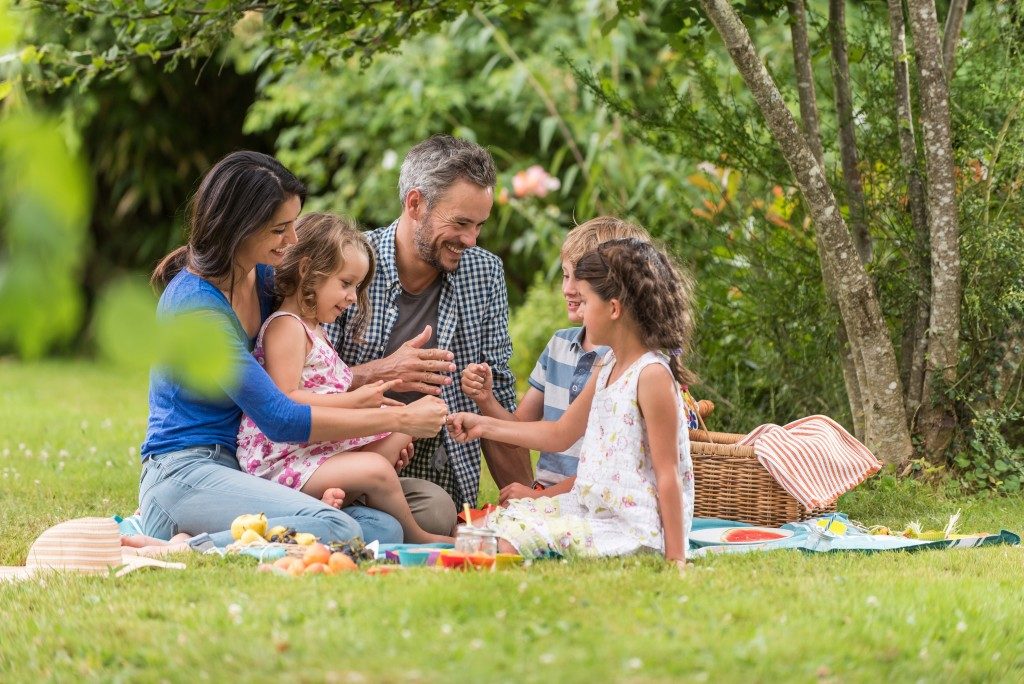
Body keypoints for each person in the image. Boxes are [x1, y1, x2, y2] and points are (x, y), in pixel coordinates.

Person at [135, 151, 448, 552]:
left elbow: (306, 373)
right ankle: (184, 546)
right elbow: (279, 417)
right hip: (185, 473)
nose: (293, 241)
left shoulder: (262, 281)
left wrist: (380, 376)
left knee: (384, 530)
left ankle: (270, 523)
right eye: (280, 229)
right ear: (239, 228)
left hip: (241, 468)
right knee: (336, 528)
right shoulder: (196, 307)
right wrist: (401, 417)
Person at [447, 238, 696, 569]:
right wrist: (483, 425)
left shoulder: (650, 375)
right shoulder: (608, 366)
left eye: (587, 301)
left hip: (630, 529)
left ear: (613, 308)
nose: (580, 310)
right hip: (589, 508)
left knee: (495, 545)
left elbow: (669, 474)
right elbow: (560, 434)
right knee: (476, 530)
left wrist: (676, 558)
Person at [325, 135, 531, 515]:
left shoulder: (485, 273)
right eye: (461, 223)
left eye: (479, 225)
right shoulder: (347, 266)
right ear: (415, 204)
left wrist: (529, 505)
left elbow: (497, 398)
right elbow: (305, 387)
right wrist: (383, 372)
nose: (470, 240)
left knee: (435, 513)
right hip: (344, 464)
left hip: (439, 476)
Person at [236, 212, 453, 544]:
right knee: (378, 468)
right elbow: (285, 400)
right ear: (308, 271)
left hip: (312, 452)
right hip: (282, 461)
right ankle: (417, 536)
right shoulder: (286, 327)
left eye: (356, 286)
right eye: (346, 283)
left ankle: (336, 500)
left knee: (399, 432)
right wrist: (354, 401)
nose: (353, 297)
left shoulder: (315, 330)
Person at [459, 217, 653, 504]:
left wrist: (541, 499)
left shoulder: (624, 362)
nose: (569, 289)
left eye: (580, 279)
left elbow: (608, 470)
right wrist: (486, 400)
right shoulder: (559, 346)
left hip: (595, 496)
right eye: (565, 275)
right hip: (548, 493)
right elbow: (521, 429)